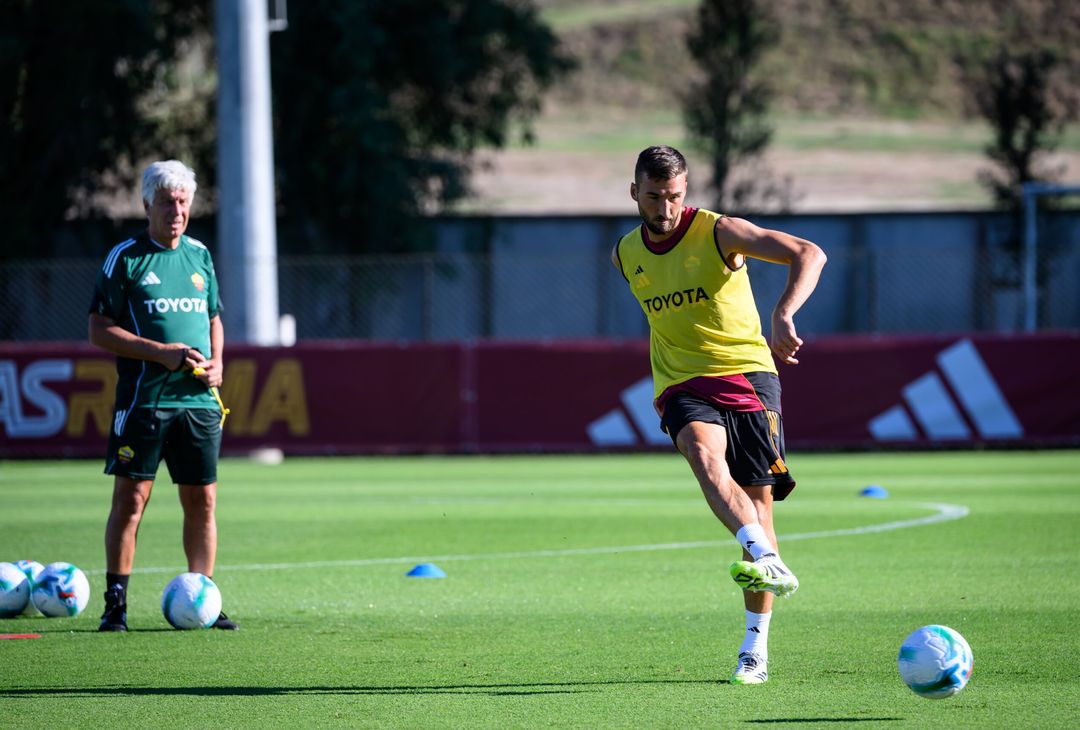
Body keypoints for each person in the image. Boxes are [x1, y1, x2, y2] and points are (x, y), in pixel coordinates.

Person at [612, 145, 826, 684]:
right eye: (655, 196)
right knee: (702, 453)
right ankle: (759, 553)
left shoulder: (719, 232)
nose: (665, 208)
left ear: (687, 192)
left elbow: (809, 252)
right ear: (634, 192)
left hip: (750, 376)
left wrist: (783, 312)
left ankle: (755, 648)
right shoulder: (624, 254)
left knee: (759, 505)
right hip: (682, 382)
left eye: (675, 196)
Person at [88, 160, 237, 632]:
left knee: (203, 501)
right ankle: (116, 605)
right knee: (132, 500)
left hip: (197, 403)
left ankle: (203, 598)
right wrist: (160, 353)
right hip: (145, 402)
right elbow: (98, 328)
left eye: (184, 202)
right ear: (147, 203)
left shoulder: (200, 256)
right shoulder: (126, 258)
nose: (177, 211)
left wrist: (216, 364)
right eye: (168, 202)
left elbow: (214, 317)